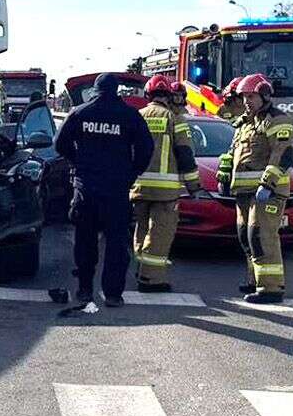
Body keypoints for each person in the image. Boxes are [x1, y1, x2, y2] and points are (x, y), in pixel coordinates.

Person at [55, 73, 153, 307]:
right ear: (117, 89)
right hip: (117, 189)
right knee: (116, 244)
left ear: (95, 89)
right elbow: (146, 149)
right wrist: (131, 173)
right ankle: (113, 294)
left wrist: (78, 161)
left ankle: (85, 289)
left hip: (86, 188)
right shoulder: (130, 115)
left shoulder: (80, 112)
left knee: (85, 240)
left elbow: (60, 144)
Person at [224, 74, 293, 303]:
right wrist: (224, 174)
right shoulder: (245, 123)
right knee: (247, 237)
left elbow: (283, 153)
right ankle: (254, 280)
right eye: (244, 97)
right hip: (244, 193)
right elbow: (233, 152)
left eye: (251, 96)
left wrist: (267, 183)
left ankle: (271, 288)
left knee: (262, 236)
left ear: (264, 95)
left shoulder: (277, 120)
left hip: (267, 192)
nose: (247, 101)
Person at [129, 77, 201, 292]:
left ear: (147, 95)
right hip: (165, 191)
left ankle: (141, 269)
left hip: (138, 187)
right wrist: (193, 186)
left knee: (141, 230)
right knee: (160, 233)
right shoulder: (175, 119)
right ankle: (151, 280)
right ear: (168, 97)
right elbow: (185, 154)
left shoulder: (137, 118)